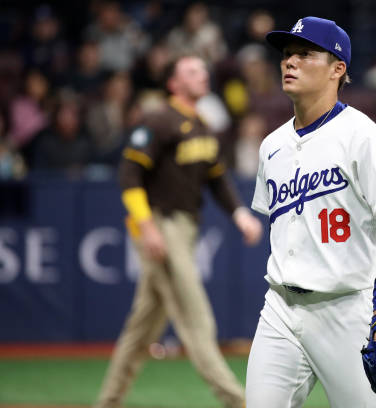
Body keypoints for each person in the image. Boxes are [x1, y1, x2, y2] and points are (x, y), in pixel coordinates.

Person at [246, 16, 376, 407]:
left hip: (345, 309)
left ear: (337, 69)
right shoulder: (271, 146)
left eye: (304, 54)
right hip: (280, 308)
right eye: (287, 54)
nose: (289, 62)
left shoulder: (362, 135)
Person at [93, 55, 263, 408]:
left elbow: (217, 179)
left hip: (184, 228)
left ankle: (108, 402)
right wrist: (147, 227)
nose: (202, 74)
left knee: (142, 328)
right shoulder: (158, 118)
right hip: (161, 224)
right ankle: (238, 402)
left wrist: (239, 214)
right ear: (173, 83)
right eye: (191, 71)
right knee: (195, 318)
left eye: (202, 69)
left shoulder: (202, 125)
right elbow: (129, 175)